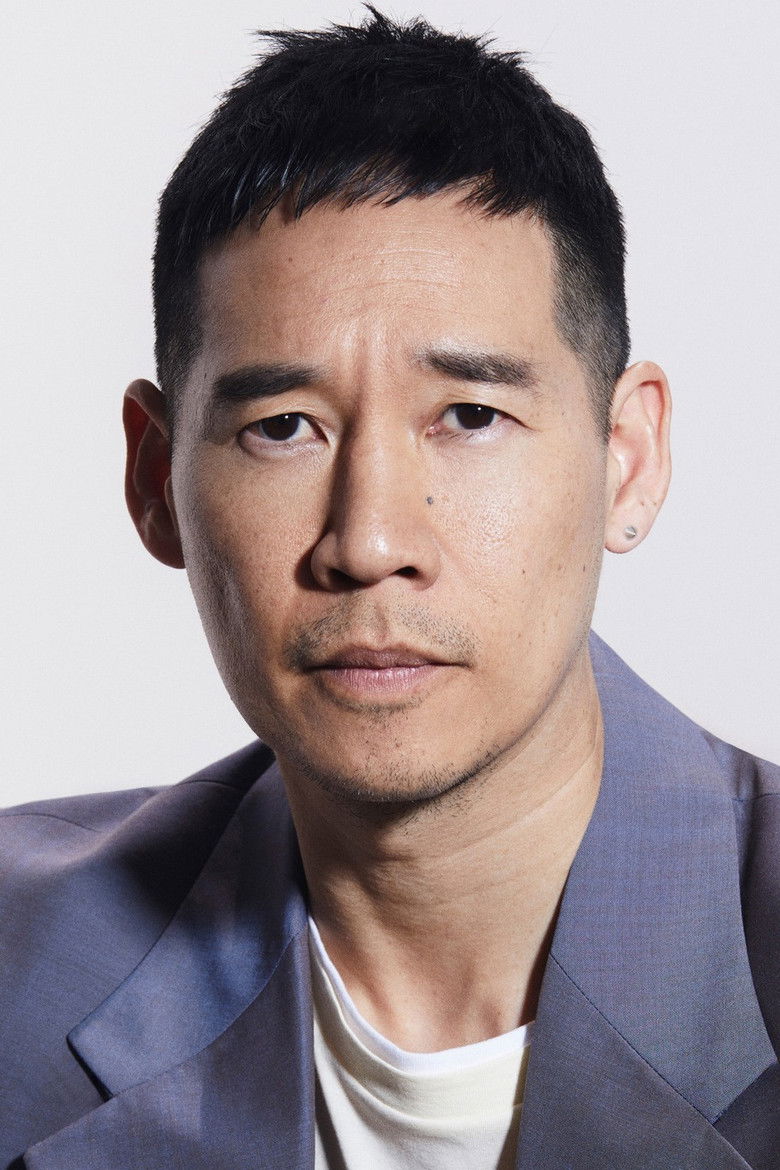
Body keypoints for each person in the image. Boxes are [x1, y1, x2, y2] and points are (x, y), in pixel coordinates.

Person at [1, 8, 778, 1168]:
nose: (368, 542)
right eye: (283, 427)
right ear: (156, 482)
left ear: (628, 458)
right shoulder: (20, 961)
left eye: (469, 415)